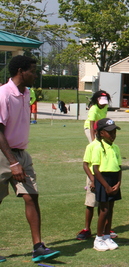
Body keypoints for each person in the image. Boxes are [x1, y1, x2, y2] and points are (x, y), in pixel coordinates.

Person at [0, 55, 60, 262]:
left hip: (21, 154)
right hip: (3, 154)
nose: (36, 75)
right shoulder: (3, 94)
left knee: (31, 196)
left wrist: (19, 159)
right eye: (33, 71)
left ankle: (38, 247)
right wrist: (13, 162)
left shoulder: (27, 94)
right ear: (20, 72)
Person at [76, 137, 117, 240]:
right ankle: (87, 229)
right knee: (90, 204)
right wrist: (92, 180)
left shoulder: (109, 146)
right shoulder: (92, 146)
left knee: (104, 205)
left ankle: (104, 228)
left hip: (104, 179)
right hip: (93, 178)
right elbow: (85, 164)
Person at [92, 118, 122, 251]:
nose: (113, 135)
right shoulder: (98, 147)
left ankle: (106, 236)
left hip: (114, 180)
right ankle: (98, 238)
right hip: (103, 180)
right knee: (103, 210)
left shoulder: (116, 148)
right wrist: (106, 186)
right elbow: (96, 170)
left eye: (114, 132)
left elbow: (119, 167)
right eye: (110, 132)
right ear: (101, 133)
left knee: (110, 209)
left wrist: (118, 183)